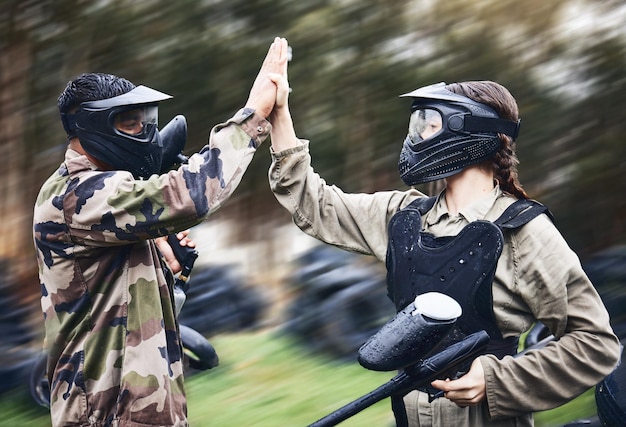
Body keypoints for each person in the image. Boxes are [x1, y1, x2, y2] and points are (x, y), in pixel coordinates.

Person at [266, 65, 621, 425]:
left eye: (429, 123)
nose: (417, 136)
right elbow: (315, 204)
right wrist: (280, 115)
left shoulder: (524, 232)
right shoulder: (403, 216)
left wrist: (497, 380)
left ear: (468, 130)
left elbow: (595, 345)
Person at [33, 37, 290, 427]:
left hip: (140, 409)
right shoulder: (77, 195)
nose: (143, 132)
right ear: (92, 126)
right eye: (129, 122)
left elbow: (117, 307)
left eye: (144, 120)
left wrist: (169, 274)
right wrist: (254, 115)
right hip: (103, 415)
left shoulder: (107, 197)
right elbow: (191, 194)